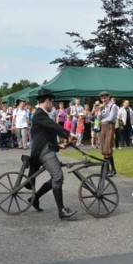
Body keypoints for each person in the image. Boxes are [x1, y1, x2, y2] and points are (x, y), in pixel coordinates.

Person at [27, 89, 77, 219]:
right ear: (48, 101)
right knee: (58, 176)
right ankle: (61, 211)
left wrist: (58, 145)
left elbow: (46, 134)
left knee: (55, 177)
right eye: (52, 102)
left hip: (45, 148)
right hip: (43, 151)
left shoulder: (41, 115)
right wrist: (68, 133)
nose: (53, 105)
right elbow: (53, 126)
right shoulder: (39, 114)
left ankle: (35, 198)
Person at [98, 91, 118, 176]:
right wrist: (100, 109)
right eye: (102, 98)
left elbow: (111, 118)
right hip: (103, 127)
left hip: (110, 127)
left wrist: (102, 120)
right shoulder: (104, 107)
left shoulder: (113, 106)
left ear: (108, 97)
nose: (103, 100)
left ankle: (112, 169)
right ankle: (106, 170)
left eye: (105, 97)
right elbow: (99, 117)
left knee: (108, 148)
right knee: (104, 150)